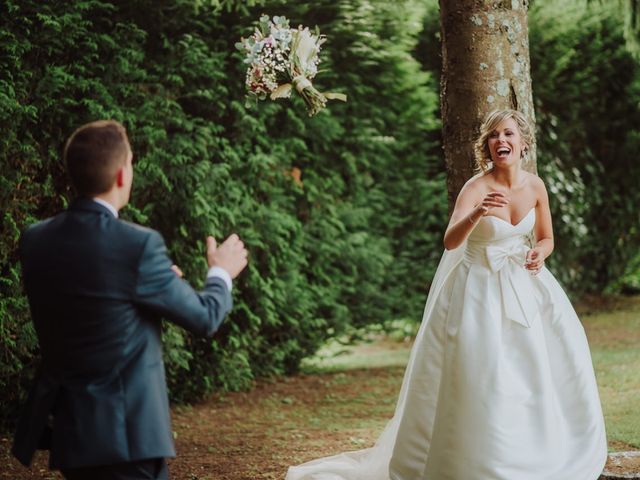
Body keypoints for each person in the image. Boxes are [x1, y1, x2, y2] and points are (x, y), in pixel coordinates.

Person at [286, 109, 607, 480]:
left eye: (508, 134)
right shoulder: (476, 187)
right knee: (483, 371)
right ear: (487, 146)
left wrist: (540, 253)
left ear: (523, 142)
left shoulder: (536, 186)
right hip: (478, 290)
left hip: (523, 285)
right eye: (493, 136)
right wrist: (477, 214)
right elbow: (451, 240)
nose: (500, 141)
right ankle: (474, 460)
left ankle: (534, 453)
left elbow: (547, 237)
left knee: (531, 367)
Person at [12, 120, 248, 480]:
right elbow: (205, 317)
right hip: (127, 436)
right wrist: (221, 273)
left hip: (71, 432)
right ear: (122, 175)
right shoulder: (137, 246)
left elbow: (92, 301)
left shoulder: (36, 240)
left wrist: (150, 282)